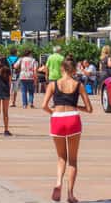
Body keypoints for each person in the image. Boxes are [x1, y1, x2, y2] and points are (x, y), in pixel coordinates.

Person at [43, 57, 93, 203]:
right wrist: (77, 107)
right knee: (73, 160)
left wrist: (53, 112)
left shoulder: (53, 85)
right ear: (74, 70)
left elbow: (44, 106)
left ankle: (58, 182)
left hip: (57, 118)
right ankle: (70, 195)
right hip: (73, 119)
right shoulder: (79, 85)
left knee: (61, 157)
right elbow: (89, 109)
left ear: (62, 69)